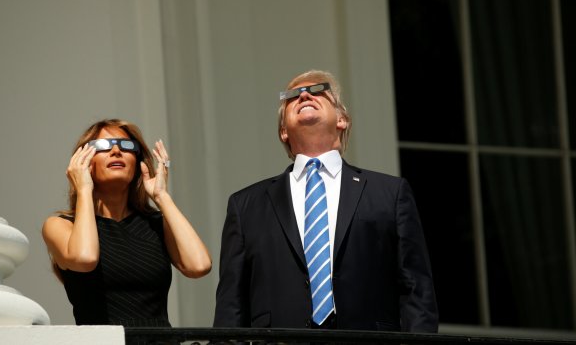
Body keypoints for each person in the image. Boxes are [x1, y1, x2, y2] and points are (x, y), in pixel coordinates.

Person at [214, 70, 438, 332]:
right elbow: (231, 305)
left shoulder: (389, 193)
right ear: (283, 131)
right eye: (292, 96)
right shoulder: (246, 206)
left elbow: (416, 291)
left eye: (319, 90)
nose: (305, 95)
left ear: (342, 119)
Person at [43, 119, 211, 328]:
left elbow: (199, 266)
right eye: (103, 146)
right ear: (83, 161)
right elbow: (84, 259)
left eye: (127, 146)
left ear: (138, 162)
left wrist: (161, 196)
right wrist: (84, 188)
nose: (116, 150)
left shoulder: (155, 223)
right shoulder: (61, 225)